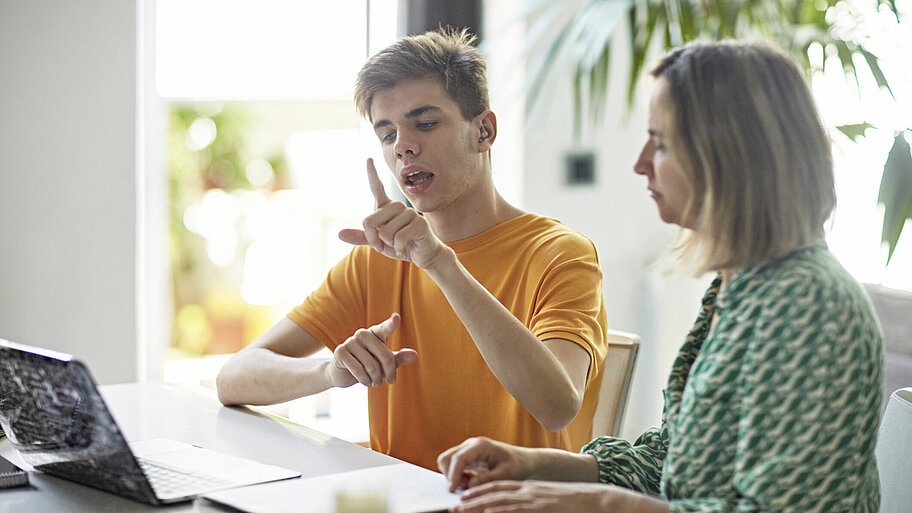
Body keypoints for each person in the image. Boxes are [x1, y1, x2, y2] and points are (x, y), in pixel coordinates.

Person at [438, 40, 884, 512]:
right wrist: (537, 465)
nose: (641, 163)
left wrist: (603, 505)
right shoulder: (737, 289)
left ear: (733, 157)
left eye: (664, 144)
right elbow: (676, 461)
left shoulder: (807, 306)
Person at [215, 27, 609, 471]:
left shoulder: (560, 254)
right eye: (387, 134)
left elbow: (557, 405)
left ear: (483, 131)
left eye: (425, 123)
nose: (403, 146)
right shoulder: (375, 259)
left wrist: (439, 262)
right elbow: (233, 378)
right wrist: (328, 373)